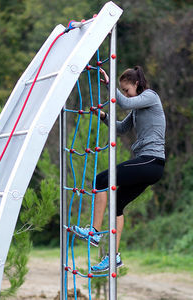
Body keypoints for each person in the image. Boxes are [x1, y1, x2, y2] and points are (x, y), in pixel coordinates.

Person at [70, 66, 166, 272]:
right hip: (148, 164)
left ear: (137, 85)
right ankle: (113, 257)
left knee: (101, 180)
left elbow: (124, 103)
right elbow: (121, 128)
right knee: (117, 204)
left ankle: (94, 232)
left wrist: (108, 83)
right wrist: (103, 116)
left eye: (126, 89)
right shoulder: (137, 109)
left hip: (151, 161)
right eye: (121, 90)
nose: (124, 93)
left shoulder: (150, 96)